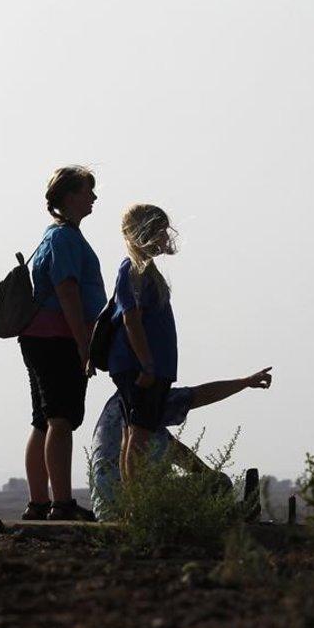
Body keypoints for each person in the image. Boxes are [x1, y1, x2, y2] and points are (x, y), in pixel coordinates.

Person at [18, 166, 107, 521]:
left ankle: (40, 502)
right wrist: (85, 344)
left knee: (43, 420)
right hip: (58, 337)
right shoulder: (65, 239)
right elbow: (67, 292)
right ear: (70, 196)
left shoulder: (54, 236)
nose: (93, 198)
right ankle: (61, 503)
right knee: (60, 419)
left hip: (41, 337)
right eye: (88, 191)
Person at [88, 368, 274, 520]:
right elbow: (200, 395)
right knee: (218, 483)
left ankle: (229, 512)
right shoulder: (146, 400)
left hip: (105, 511)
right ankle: (232, 516)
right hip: (133, 508)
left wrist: (206, 476)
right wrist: (246, 382)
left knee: (213, 482)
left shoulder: (121, 407)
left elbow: (177, 452)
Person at [107, 203, 181, 483]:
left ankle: (135, 503)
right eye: (160, 231)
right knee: (139, 433)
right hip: (140, 368)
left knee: (137, 431)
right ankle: (136, 506)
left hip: (151, 367)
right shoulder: (132, 270)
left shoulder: (148, 271)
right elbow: (131, 319)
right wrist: (147, 365)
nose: (164, 238)